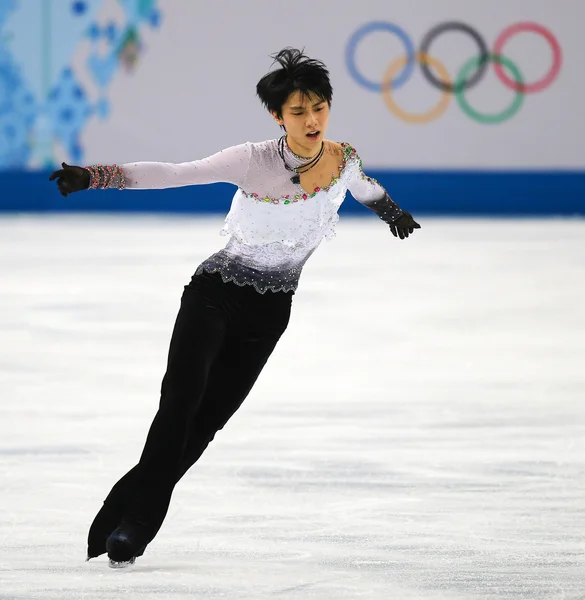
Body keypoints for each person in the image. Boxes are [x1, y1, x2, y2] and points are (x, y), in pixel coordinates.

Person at [49, 47, 421, 568]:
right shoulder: (252, 160)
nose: (311, 120)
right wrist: (97, 175)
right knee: (179, 406)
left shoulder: (343, 159)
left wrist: (392, 211)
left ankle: (122, 508)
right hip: (215, 294)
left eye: (318, 107)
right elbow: (174, 172)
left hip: (269, 315)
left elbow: (364, 187)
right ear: (277, 116)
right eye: (298, 112)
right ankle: (135, 527)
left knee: (205, 425)